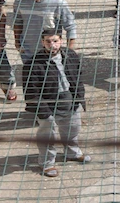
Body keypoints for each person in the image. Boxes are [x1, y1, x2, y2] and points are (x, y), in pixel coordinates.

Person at [24, 29, 90, 178]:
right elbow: (31, 92)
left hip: (69, 100)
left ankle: (72, 153)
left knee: (72, 130)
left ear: (61, 41)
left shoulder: (71, 56)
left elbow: (78, 77)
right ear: (42, 42)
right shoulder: (33, 64)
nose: (52, 45)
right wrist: (44, 113)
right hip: (48, 105)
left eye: (55, 41)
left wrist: (78, 98)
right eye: (48, 41)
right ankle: (47, 163)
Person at [13, 0, 77, 63]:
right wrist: (17, 43)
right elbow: (18, 23)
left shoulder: (58, 3)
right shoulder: (19, 3)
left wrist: (69, 52)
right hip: (28, 53)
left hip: (51, 52)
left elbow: (71, 27)